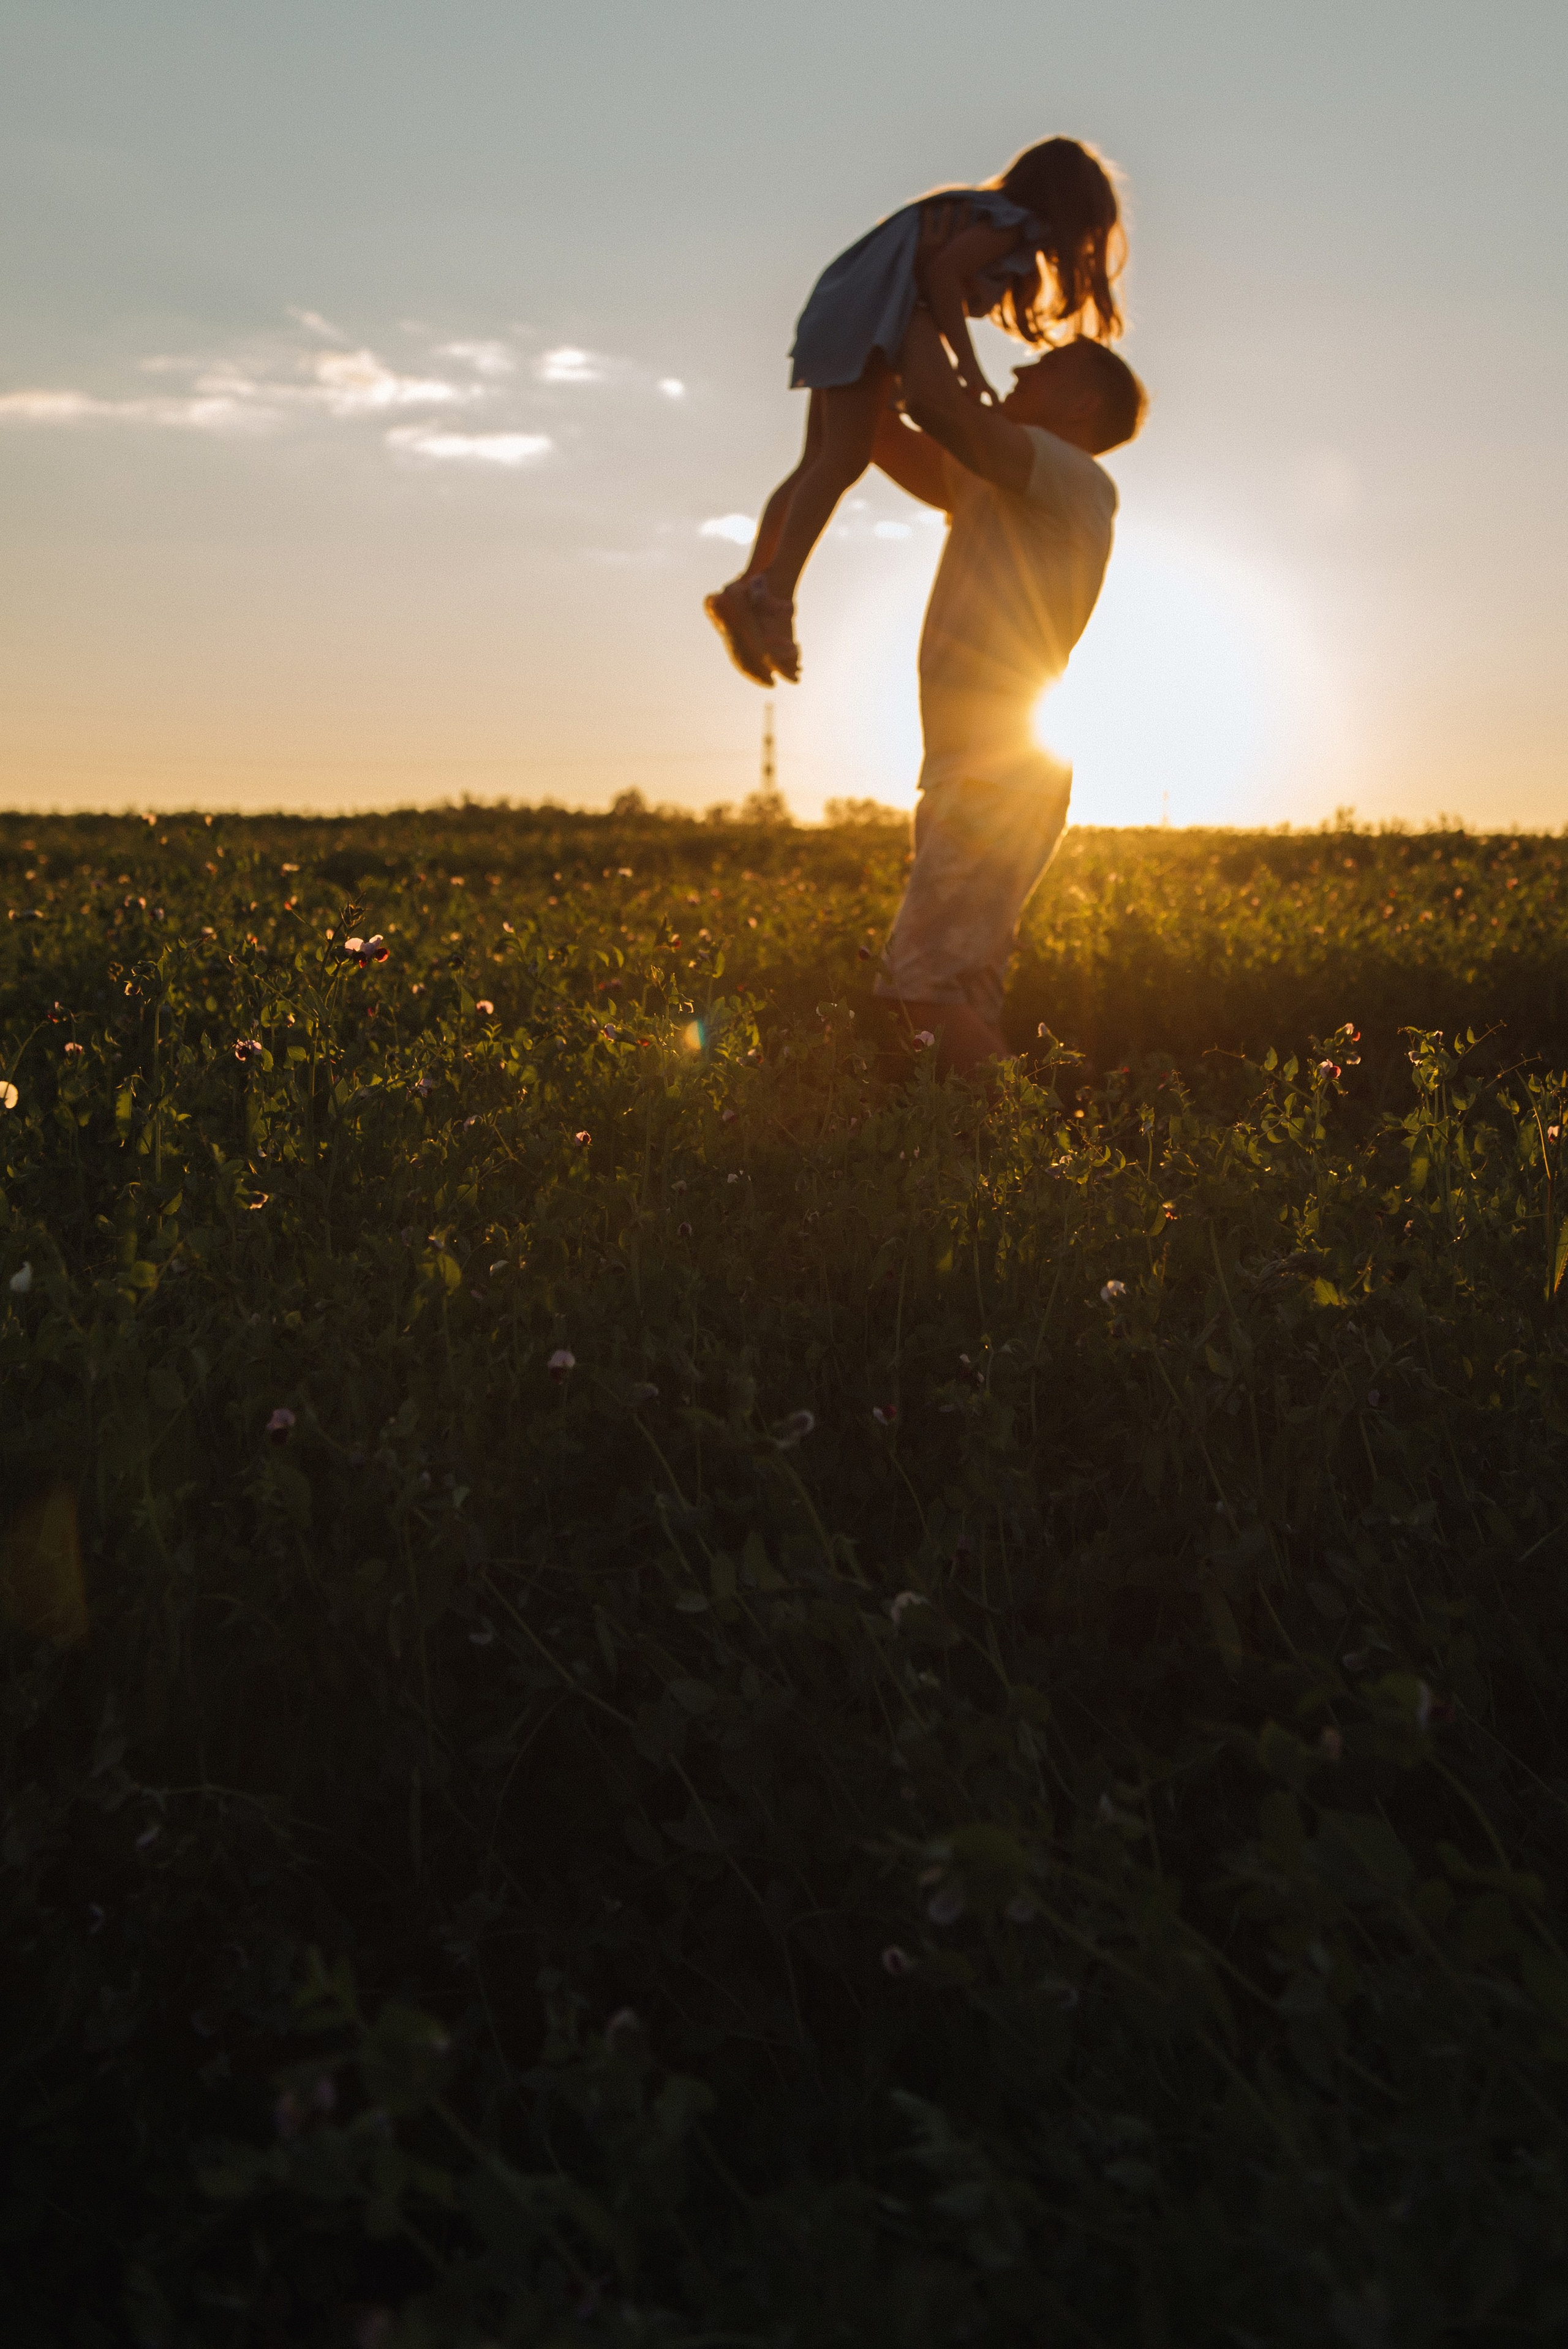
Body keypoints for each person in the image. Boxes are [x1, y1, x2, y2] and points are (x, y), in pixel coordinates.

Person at [705, 138, 1124, 689]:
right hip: (873, 313)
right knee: (840, 460)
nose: (1021, 372)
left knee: (819, 460)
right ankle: (773, 594)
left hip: (846, 305)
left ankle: (753, 583)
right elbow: (943, 277)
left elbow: (934, 280)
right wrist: (966, 365)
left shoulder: (983, 215)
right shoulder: (1011, 226)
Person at [868, 297, 1147, 1078]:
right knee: (957, 994)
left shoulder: (1072, 477)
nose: (1021, 366)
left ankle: (1048, 1160)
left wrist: (915, 295)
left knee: (916, 994)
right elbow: (889, 433)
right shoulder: (1001, 479)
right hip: (980, 772)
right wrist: (871, 364)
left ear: (1083, 407)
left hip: (997, 778)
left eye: (1047, 365)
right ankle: (991, 1173)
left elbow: (935, 405)